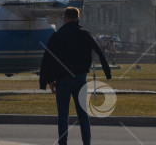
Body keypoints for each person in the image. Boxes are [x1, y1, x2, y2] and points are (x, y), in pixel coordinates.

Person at [39, 7, 112, 145]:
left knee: (63, 116)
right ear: (78, 18)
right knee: (83, 115)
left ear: (65, 18)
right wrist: (107, 72)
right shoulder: (84, 34)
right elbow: (99, 51)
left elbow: (47, 59)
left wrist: (47, 81)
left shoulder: (57, 36)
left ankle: (63, 143)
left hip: (62, 79)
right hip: (80, 78)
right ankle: (86, 143)